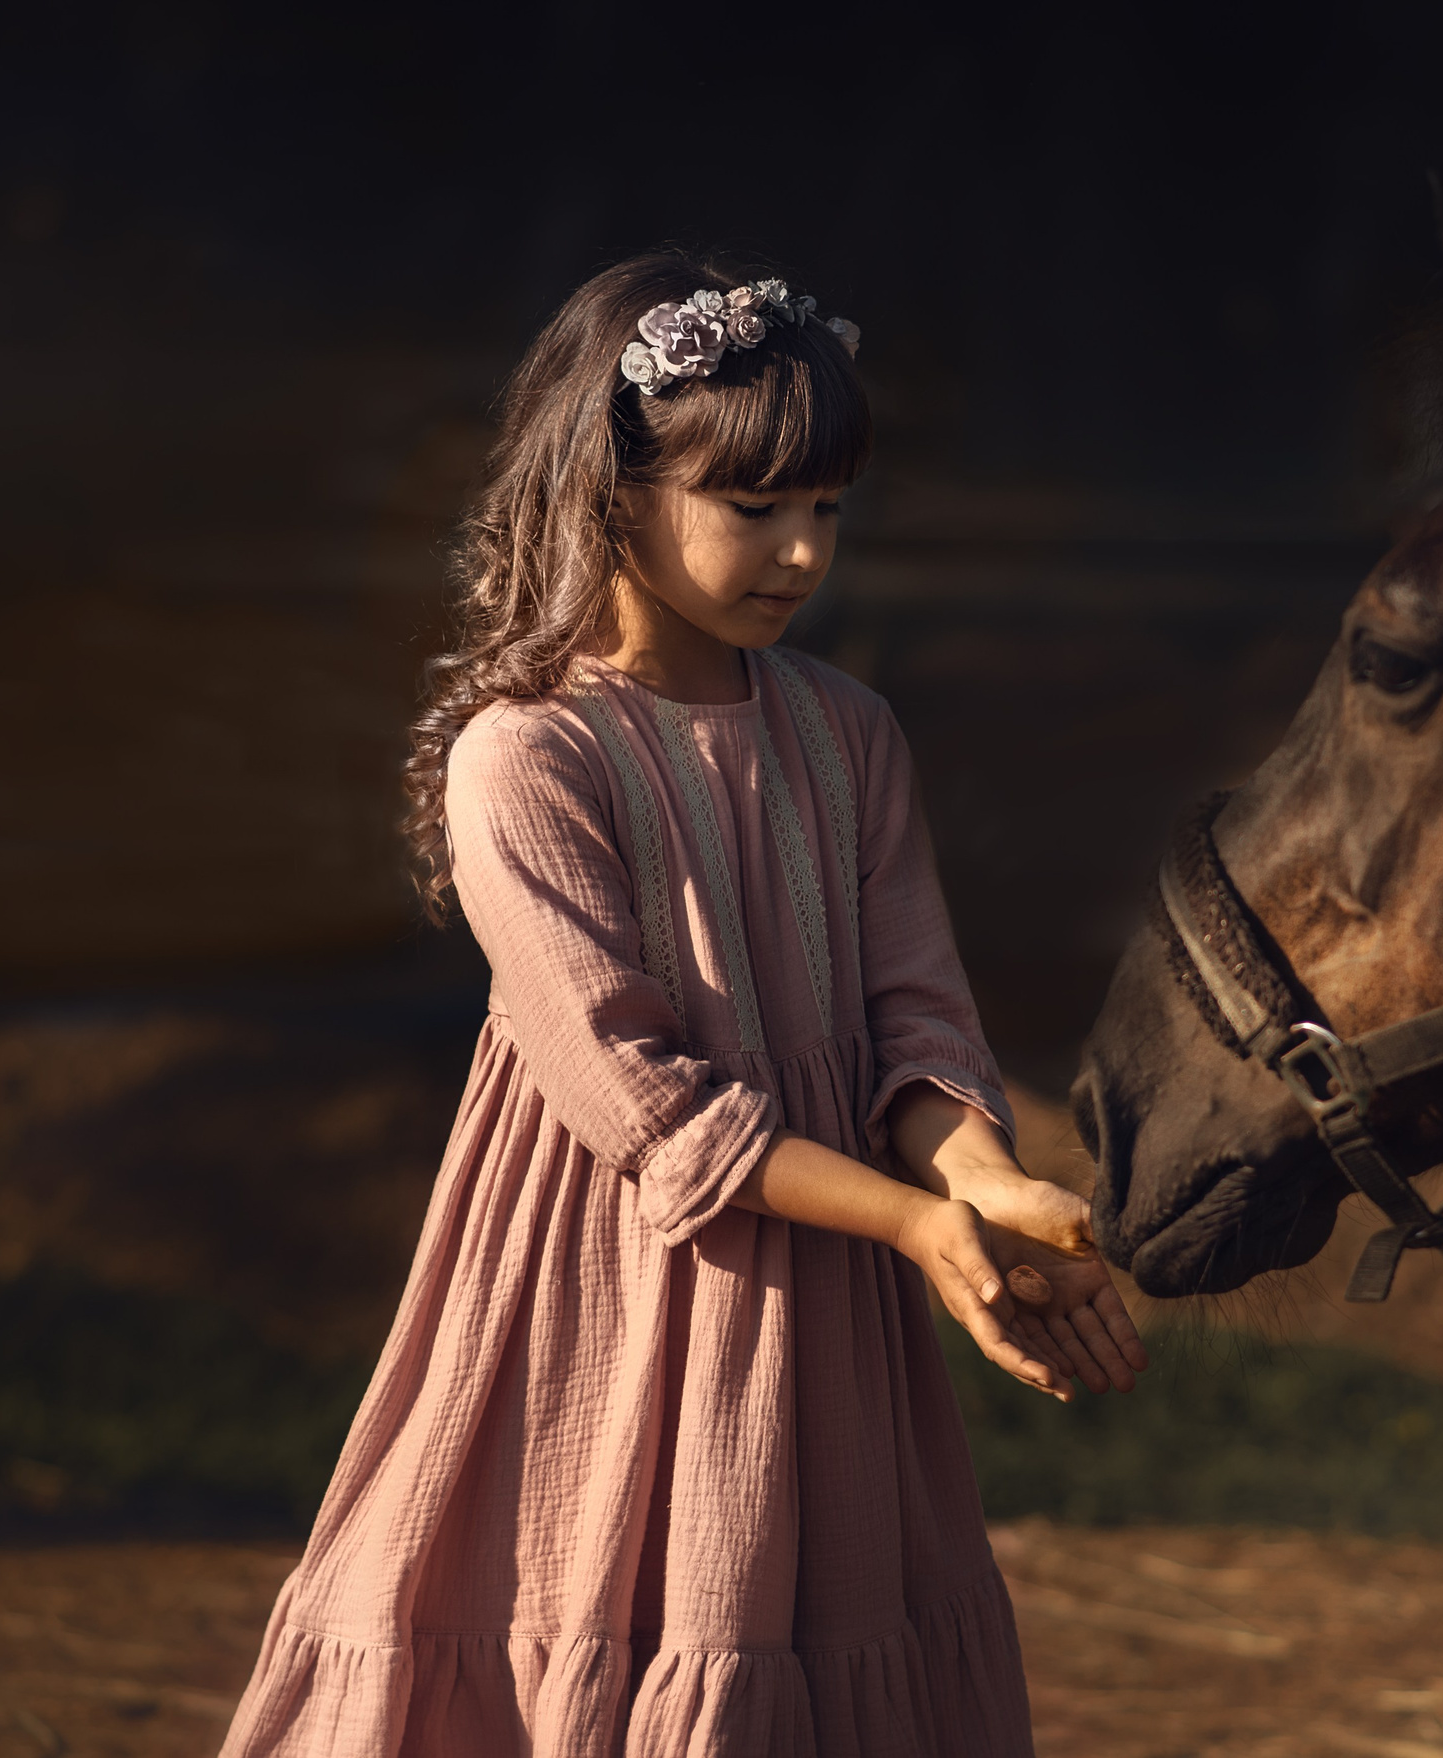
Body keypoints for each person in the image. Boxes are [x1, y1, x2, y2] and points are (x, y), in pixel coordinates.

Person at [219, 251, 1146, 1757]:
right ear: (614, 496)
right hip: (610, 1289)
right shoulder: (523, 761)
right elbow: (652, 1110)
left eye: (826, 512)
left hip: (830, 1313)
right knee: (625, 1631)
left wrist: (983, 1183)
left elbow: (916, 1021)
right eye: (753, 508)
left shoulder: (853, 737)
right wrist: (916, 1225)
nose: (800, 554)